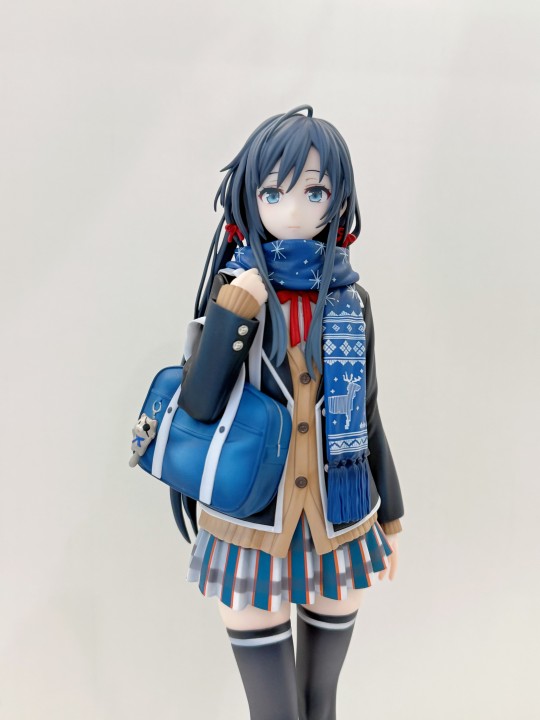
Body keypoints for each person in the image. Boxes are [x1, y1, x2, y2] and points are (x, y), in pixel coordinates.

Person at [172, 105, 404, 720]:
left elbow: (368, 410)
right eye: (273, 193)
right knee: (275, 711)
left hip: (340, 516)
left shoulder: (351, 300)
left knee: (319, 701)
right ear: (249, 197)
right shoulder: (235, 288)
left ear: (338, 200)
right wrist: (231, 315)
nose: (294, 209)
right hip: (251, 519)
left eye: (314, 192)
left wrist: (391, 510)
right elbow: (197, 404)